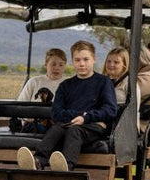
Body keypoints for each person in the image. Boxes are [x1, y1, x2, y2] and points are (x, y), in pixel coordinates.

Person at [17, 40, 117, 172]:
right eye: (77, 60)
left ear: (93, 59)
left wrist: (86, 118)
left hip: (92, 126)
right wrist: (80, 115)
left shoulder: (103, 82)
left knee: (74, 131)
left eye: (86, 59)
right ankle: (38, 161)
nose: (82, 64)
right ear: (73, 62)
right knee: (56, 129)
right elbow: (57, 112)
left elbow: (110, 110)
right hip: (69, 124)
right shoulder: (66, 85)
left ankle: (66, 168)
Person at [14, 48, 68, 134]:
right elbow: (20, 107)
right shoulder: (34, 82)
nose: (57, 68)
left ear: (65, 66)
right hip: (34, 123)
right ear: (46, 65)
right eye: (53, 64)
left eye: (61, 65)